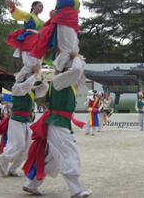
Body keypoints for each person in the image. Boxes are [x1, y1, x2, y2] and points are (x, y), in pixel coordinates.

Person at [22, 52, 91, 197]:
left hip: (59, 123)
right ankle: (76, 191)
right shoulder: (60, 81)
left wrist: (68, 56)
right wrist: (75, 56)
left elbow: (80, 73)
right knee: (68, 154)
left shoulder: (66, 82)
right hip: (57, 124)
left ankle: (31, 184)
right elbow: (77, 70)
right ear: (68, 70)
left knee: (51, 158)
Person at [29, 0, 81, 71]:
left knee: (74, 48)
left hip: (72, 23)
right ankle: (57, 73)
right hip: (64, 21)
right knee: (66, 49)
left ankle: (66, 70)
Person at [0, 66, 48, 179]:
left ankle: (13, 169)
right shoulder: (17, 87)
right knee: (18, 144)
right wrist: (34, 74)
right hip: (16, 120)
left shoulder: (31, 91)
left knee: (27, 147)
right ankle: (4, 160)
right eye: (31, 78)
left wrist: (42, 77)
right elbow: (25, 86)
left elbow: (43, 90)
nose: (33, 81)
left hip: (27, 121)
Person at [5, 0, 44, 75]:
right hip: (29, 41)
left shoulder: (41, 21)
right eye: (39, 6)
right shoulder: (29, 16)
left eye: (42, 7)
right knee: (30, 64)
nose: (41, 8)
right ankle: (19, 81)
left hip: (37, 42)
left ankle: (32, 82)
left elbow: (50, 25)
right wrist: (13, 7)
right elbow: (20, 13)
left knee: (38, 64)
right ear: (33, 6)